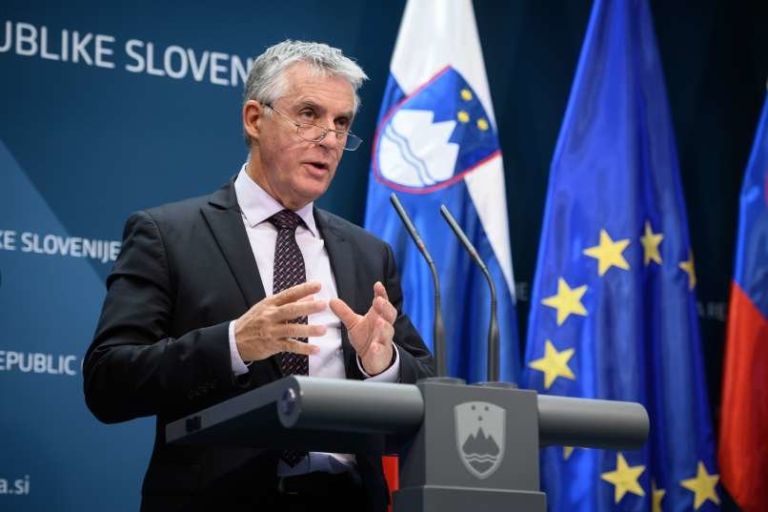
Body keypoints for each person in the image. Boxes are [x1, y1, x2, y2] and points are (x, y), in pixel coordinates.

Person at [83, 40, 434, 512]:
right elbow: (108, 382)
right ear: (254, 119)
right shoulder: (168, 235)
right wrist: (233, 344)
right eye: (309, 114)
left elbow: (428, 388)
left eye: (341, 122)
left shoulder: (368, 254)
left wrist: (382, 363)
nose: (329, 139)